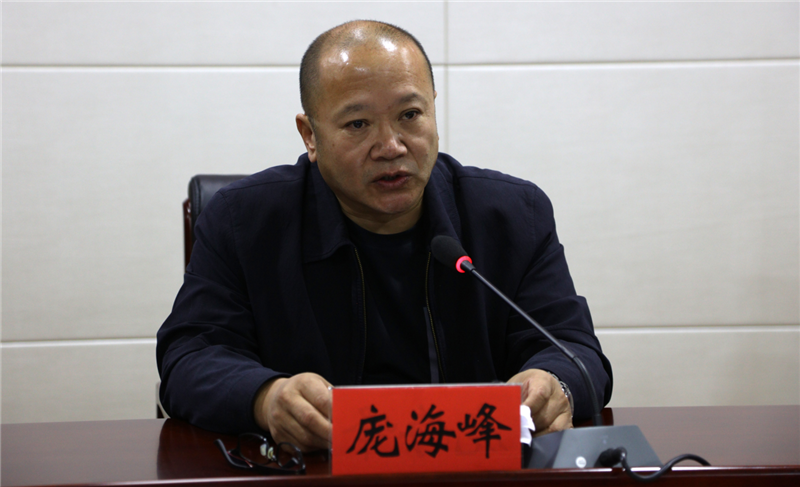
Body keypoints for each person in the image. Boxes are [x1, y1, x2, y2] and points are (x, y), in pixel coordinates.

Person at [156, 20, 612, 452]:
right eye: (358, 124)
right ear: (310, 135)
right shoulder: (243, 221)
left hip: (470, 467)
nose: (391, 146)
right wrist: (266, 397)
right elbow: (190, 357)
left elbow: (573, 349)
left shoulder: (512, 215)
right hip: (314, 470)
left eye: (410, 115)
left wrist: (555, 383)